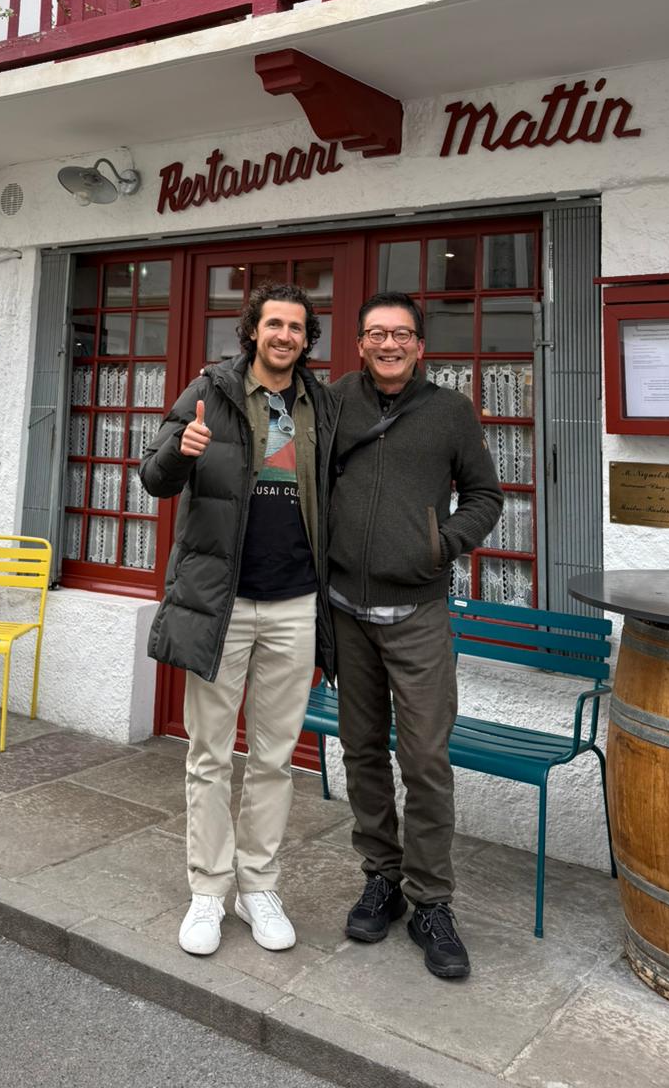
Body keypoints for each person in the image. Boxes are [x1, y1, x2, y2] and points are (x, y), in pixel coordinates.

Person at [141, 283, 338, 958]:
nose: (284, 335)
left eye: (296, 326)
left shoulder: (321, 403)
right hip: (221, 603)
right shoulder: (208, 393)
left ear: (307, 338)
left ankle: (259, 885)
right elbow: (154, 476)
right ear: (252, 331)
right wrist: (181, 450)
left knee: (276, 758)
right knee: (209, 754)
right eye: (273, 323)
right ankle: (208, 890)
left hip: (295, 603)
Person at [327, 291, 502, 980]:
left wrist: (442, 545)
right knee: (362, 751)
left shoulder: (451, 412)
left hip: (419, 616)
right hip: (345, 610)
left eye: (401, 334)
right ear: (361, 343)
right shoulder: (335, 402)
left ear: (421, 347)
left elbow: (486, 495)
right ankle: (382, 878)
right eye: (376, 333)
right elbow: (292, 468)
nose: (389, 343)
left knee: (425, 760)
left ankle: (432, 900)